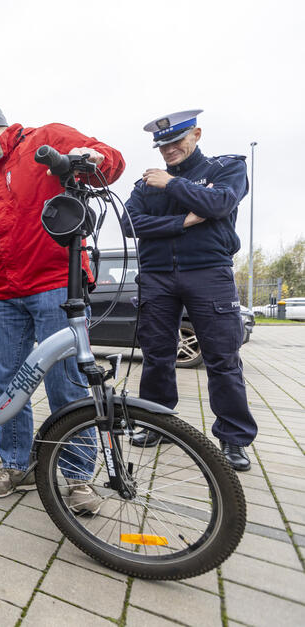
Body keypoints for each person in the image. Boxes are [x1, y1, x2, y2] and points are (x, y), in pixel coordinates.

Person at [0, 102, 125, 509]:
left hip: (55, 285)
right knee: (11, 384)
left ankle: (78, 477)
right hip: (6, 294)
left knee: (66, 382)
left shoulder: (47, 139)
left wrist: (96, 159)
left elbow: (110, 163)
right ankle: (16, 465)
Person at [123, 110, 255, 471]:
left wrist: (171, 185)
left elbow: (220, 203)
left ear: (196, 134)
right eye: (162, 145)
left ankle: (233, 439)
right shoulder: (144, 182)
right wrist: (183, 219)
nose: (168, 150)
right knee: (156, 356)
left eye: (176, 141)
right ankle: (157, 425)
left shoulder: (224, 169)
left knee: (222, 359)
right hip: (158, 276)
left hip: (209, 273)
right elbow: (130, 223)